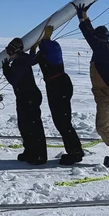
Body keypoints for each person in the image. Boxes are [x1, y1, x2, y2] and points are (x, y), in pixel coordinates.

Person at [73, 2, 109, 168]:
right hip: (106, 93)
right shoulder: (103, 47)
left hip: (107, 93)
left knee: (103, 127)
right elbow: (92, 36)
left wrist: (82, 18)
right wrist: (84, 16)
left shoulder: (103, 48)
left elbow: (90, 36)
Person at [30, 25, 84, 165]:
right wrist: (35, 48)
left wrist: (42, 43)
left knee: (62, 121)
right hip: (57, 85)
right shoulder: (48, 50)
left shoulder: (52, 48)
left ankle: (75, 152)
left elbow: (40, 57)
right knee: (61, 121)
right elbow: (33, 60)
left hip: (58, 85)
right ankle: (75, 150)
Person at [2, 37, 48, 165]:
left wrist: (6, 70)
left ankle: (39, 155)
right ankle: (29, 151)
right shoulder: (25, 59)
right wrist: (33, 51)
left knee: (33, 127)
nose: (8, 53)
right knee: (24, 126)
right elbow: (33, 59)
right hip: (26, 97)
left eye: (10, 50)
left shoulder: (19, 63)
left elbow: (14, 80)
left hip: (28, 98)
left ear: (15, 51)